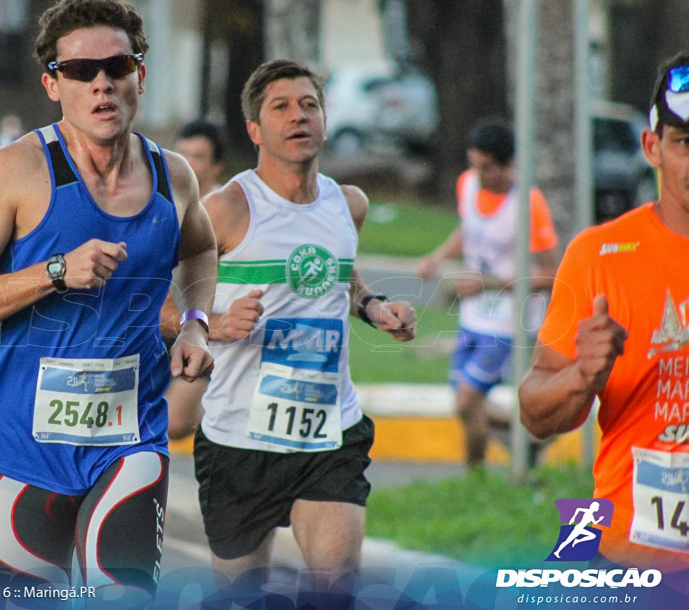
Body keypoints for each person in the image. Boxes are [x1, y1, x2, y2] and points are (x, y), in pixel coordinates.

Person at [0, 0, 216, 605]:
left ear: (140, 72)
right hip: (20, 450)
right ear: (53, 84)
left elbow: (199, 251)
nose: (101, 85)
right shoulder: (16, 170)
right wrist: (55, 272)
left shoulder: (174, 176)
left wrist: (193, 323)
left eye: (116, 67)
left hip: (129, 437)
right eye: (81, 71)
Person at [193, 59, 417, 595]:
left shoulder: (349, 204)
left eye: (309, 105)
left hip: (327, 431)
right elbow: (159, 302)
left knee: (336, 586)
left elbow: (344, 276)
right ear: (255, 130)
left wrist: (374, 307)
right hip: (238, 439)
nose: (299, 117)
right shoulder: (224, 210)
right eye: (282, 107)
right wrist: (217, 324)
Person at [518, 52, 689, 572]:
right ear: (652, 147)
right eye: (686, 143)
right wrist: (580, 375)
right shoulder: (599, 255)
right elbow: (535, 413)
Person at [416, 118, 558, 471]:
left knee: (467, 402)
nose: (478, 175)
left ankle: (473, 480)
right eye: (473, 164)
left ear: (509, 164)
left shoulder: (529, 204)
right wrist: (438, 256)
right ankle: (530, 440)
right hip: (472, 315)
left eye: (487, 167)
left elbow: (550, 274)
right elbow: (470, 230)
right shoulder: (467, 185)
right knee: (465, 402)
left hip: (510, 322)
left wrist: (489, 283)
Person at [160, 117, 228, 440]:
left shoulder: (227, 216)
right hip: (160, 330)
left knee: (172, 422)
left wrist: (215, 325)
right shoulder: (163, 205)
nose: (186, 162)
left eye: (198, 156)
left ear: (217, 167)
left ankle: (222, 412)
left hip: (211, 334)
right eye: (181, 152)